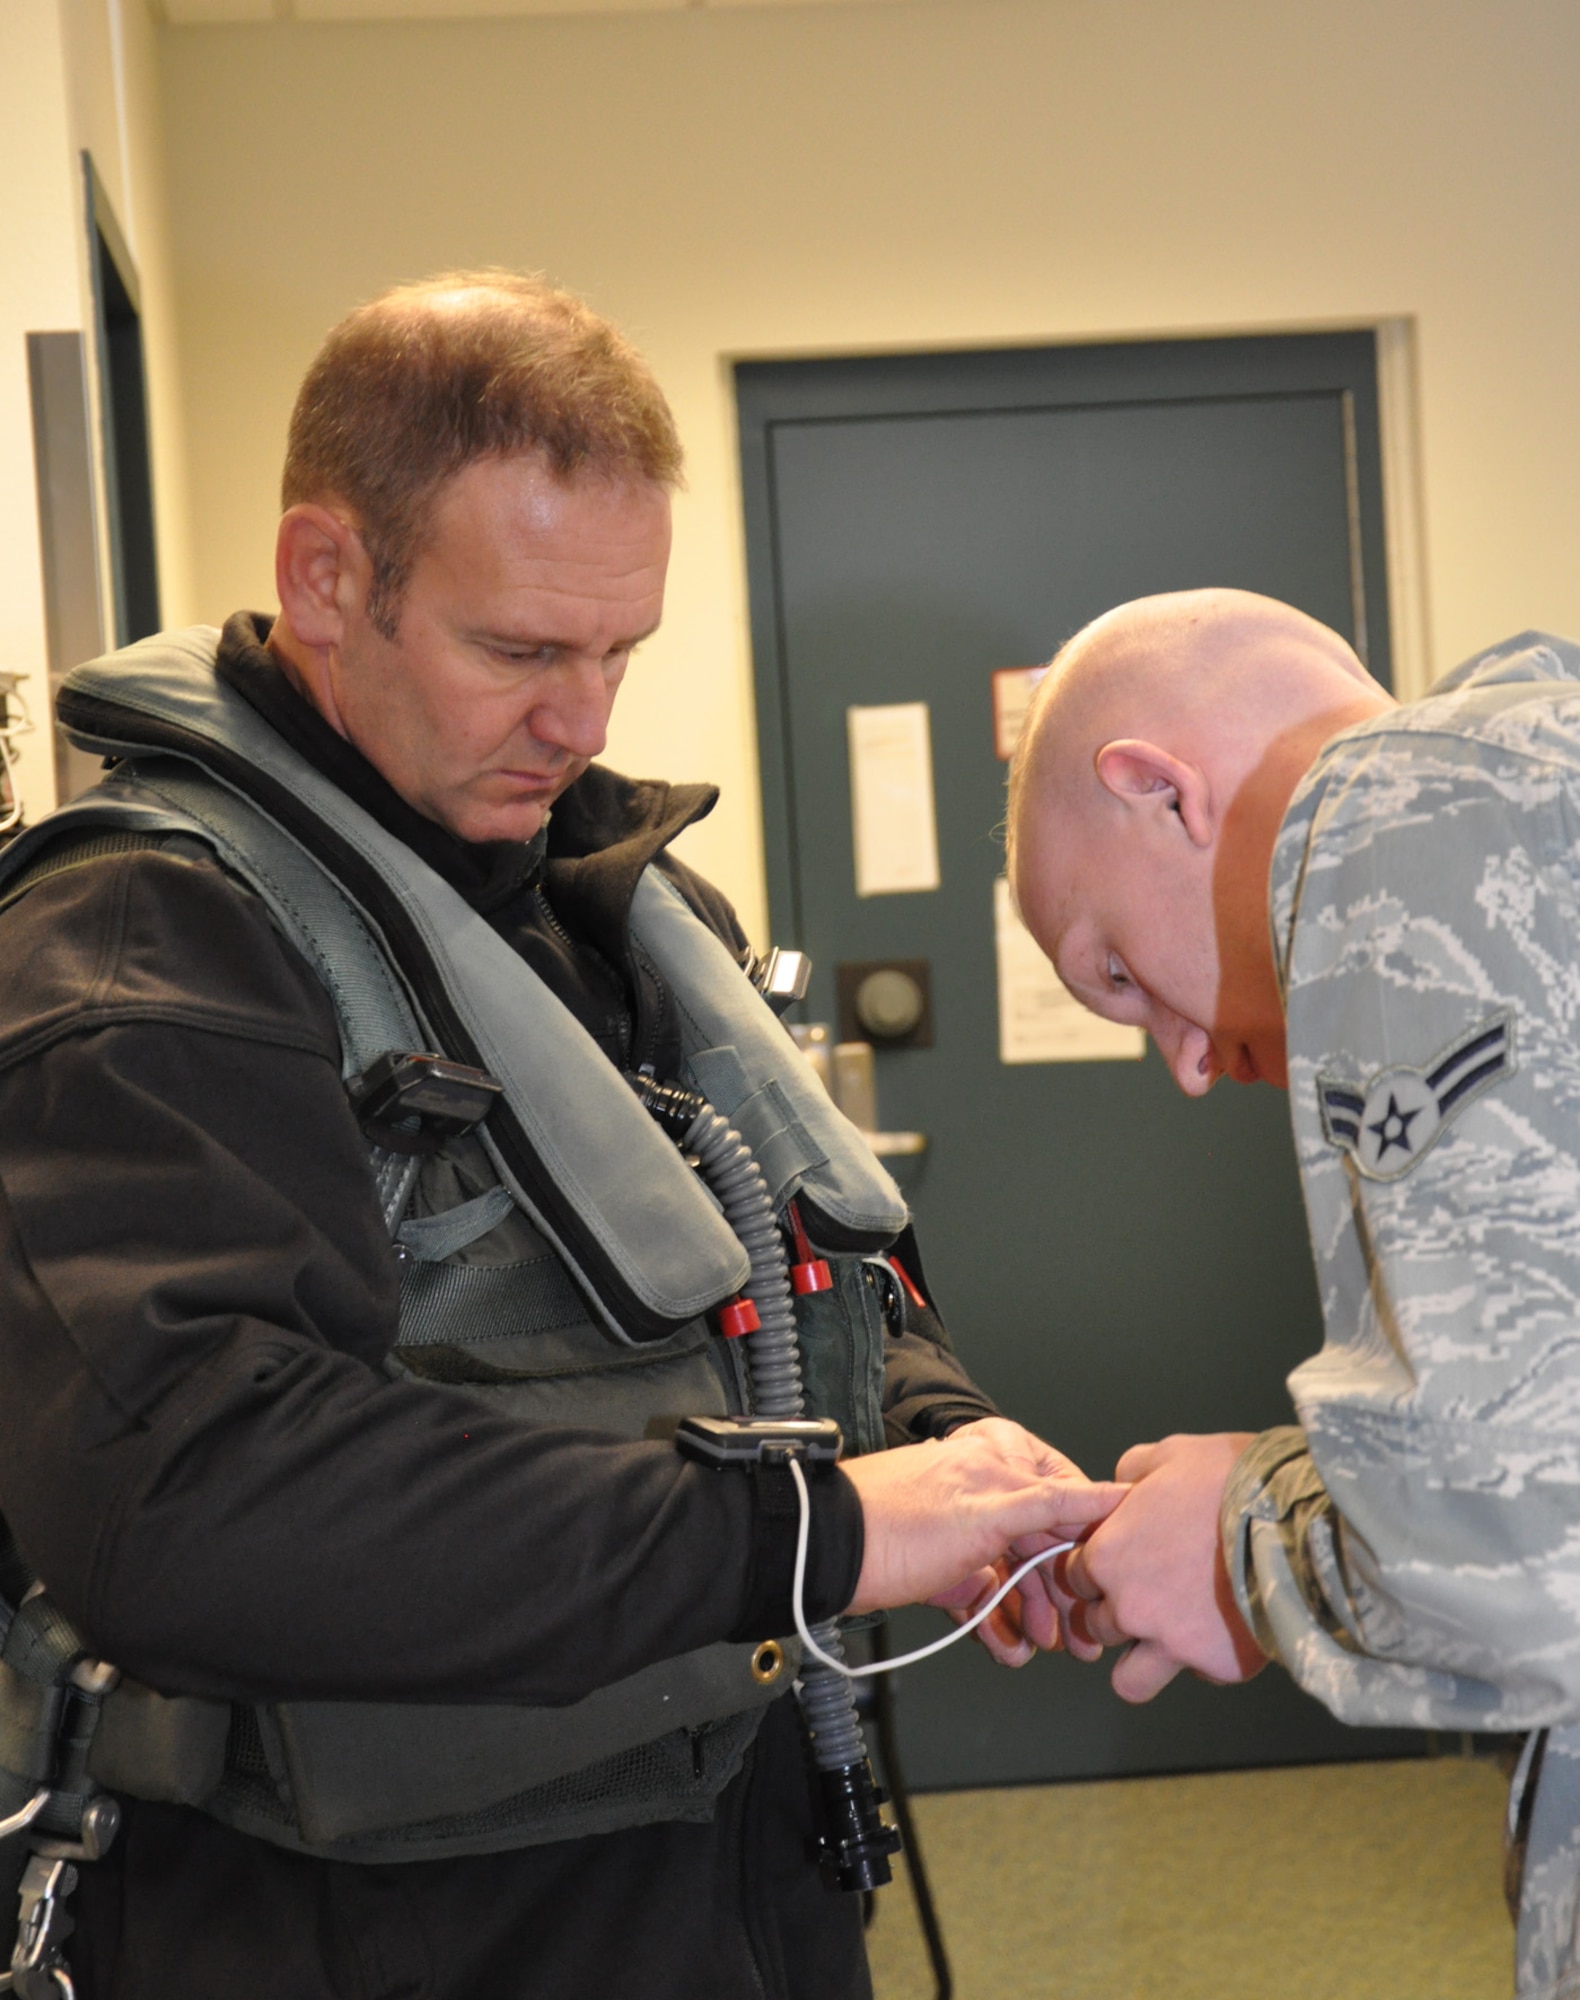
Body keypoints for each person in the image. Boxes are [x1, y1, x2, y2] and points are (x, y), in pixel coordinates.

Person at [0, 273, 1119, 2000]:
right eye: (522, 649)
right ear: (326, 580)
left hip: (721, 1884)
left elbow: (807, 1263)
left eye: (620, 652)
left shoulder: (622, 912)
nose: (586, 720)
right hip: (372, 1933)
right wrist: (814, 1534)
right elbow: (191, 1498)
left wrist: (948, 1449)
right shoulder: (152, 946)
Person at [1007, 585, 1580, 2000]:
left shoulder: (1401, 820)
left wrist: (1238, 1542)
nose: (1189, 1068)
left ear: (1159, 792)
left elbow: (1520, 1551)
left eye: (1120, 974)